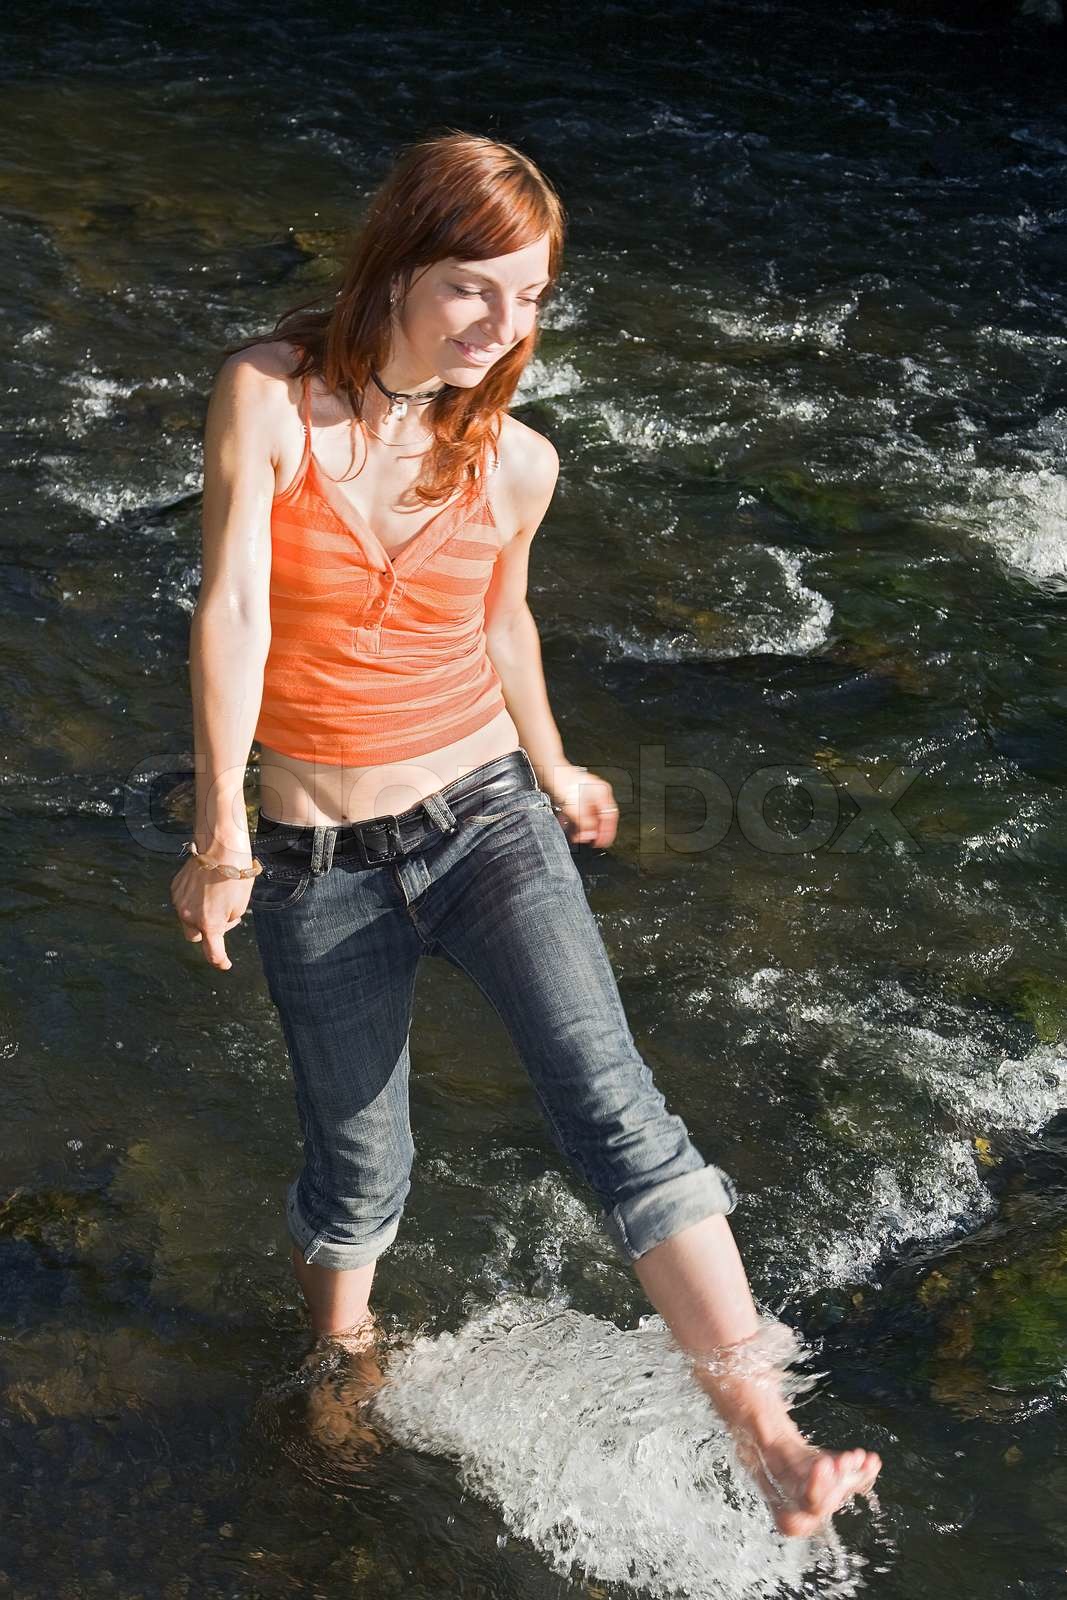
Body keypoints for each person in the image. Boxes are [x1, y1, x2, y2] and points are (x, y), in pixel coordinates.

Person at [170, 129, 881, 1537]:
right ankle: (341, 1357)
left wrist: (553, 765)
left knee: (611, 1101)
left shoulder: (518, 463)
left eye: (536, 297)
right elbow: (236, 611)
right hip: (316, 861)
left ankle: (768, 1438)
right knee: (362, 1164)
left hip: (485, 815)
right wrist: (218, 836)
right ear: (396, 264)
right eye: (477, 290)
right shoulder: (266, 397)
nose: (508, 328)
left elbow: (500, 621)